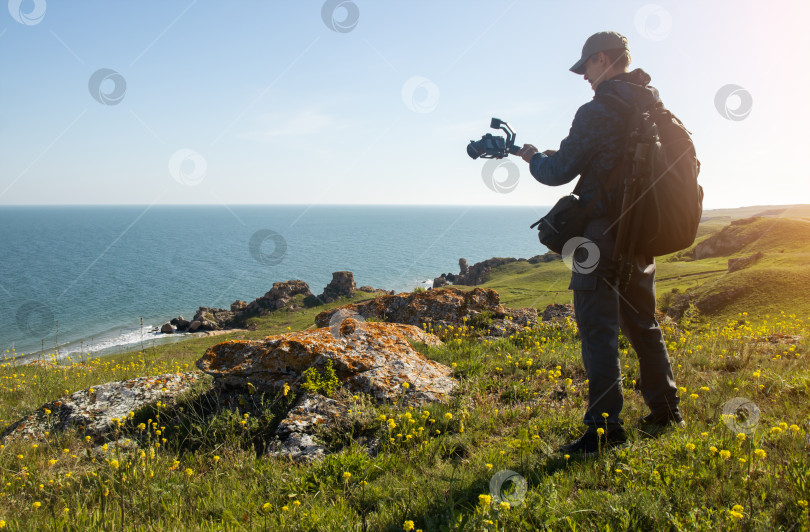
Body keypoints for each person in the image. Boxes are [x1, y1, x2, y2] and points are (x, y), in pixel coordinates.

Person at [516, 31, 684, 455]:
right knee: (643, 323)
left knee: (597, 330)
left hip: (599, 237)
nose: (584, 76)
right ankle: (666, 410)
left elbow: (557, 171)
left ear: (605, 60)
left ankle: (604, 430)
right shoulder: (651, 105)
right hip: (640, 234)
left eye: (587, 66)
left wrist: (533, 156)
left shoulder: (597, 110)